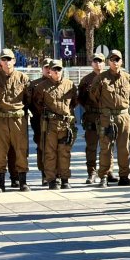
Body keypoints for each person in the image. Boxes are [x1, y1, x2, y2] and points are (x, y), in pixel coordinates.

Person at [0, 49, 30, 191]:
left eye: (9, 59)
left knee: (21, 150)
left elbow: (29, 99)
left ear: (14, 61)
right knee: (0, 151)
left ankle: (22, 181)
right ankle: (0, 182)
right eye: (4, 59)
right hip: (1, 120)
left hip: (18, 120)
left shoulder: (23, 78)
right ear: (0, 62)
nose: (7, 62)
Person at [91, 50, 130, 187]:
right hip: (107, 117)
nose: (115, 62)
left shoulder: (128, 78)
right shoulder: (101, 78)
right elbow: (94, 96)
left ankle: (124, 176)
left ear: (121, 61)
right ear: (108, 62)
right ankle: (104, 175)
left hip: (123, 116)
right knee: (106, 148)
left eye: (117, 59)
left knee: (124, 148)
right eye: (112, 59)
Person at [37, 60, 77, 188]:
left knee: (64, 152)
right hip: (50, 125)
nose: (56, 72)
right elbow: (36, 104)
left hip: (65, 124)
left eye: (59, 69)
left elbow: (74, 102)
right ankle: (51, 179)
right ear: (50, 71)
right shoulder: (42, 87)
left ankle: (64, 179)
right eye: (54, 69)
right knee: (50, 152)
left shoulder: (70, 85)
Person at [78, 53, 105, 184]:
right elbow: (81, 98)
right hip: (92, 116)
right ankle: (92, 172)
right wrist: (90, 109)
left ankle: (107, 172)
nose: (97, 63)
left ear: (104, 63)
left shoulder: (109, 77)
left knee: (107, 146)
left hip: (106, 116)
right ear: (91, 64)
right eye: (95, 61)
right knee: (91, 146)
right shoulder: (86, 80)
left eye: (100, 61)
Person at [26, 59, 52, 183]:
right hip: (39, 120)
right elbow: (28, 102)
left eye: (50, 67)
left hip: (55, 121)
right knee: (42, 147)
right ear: (42, 69)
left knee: (56, 147)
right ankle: (44, 173)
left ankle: (54, 172)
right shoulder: (34, 85)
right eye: (46, 67)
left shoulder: (59, 83)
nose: (48, 69)